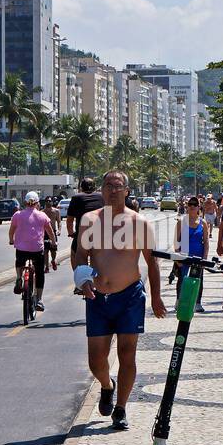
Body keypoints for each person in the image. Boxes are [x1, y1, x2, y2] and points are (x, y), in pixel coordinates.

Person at [74, 170, 167, 431]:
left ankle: (121, 408)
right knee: (96, 360)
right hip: (98, 297)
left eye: (117, 186)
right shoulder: (89, 220)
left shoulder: (139, 223)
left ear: (126, 190)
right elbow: (81, 255)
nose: (112, 190)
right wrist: (83, 280)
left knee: (127, 353)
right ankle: (107, 386)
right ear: (102, 190)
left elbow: (152, 261)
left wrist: (157, 297)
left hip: (130, 296)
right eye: (108, 186)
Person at [9, 192, 56, 312]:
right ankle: (39, 299)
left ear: (25, 202)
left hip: (21, 250)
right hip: (37, 250)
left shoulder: (17, 215)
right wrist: (53, 242)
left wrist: (11, 240)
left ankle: (19, 278)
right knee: (39, 273)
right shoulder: (42, 216)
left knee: (19, 262)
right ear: (37, 203)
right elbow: (50, 232)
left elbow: (12, 230)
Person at [174, 197, 208, 313]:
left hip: (198, 255)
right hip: (184, 255)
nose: (192, 206)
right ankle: (179, 301)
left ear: (199, 207)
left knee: (198, 279)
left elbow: (206, 242)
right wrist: (177, 257)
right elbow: (176, 241)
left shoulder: (203, 223)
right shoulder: (181, 221)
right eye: (190, 204)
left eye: (195, 204)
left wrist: (205, 258)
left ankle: (197, 303)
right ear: (187, 206)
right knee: (182, 278)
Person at [67, 178, 105, 255]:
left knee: (74, 254)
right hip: (99, 235)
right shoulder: (102, 196)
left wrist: (71, 233)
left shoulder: (76, 198)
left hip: (82, 234)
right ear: (94, 187)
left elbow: (70, 220)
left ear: (81, 187)